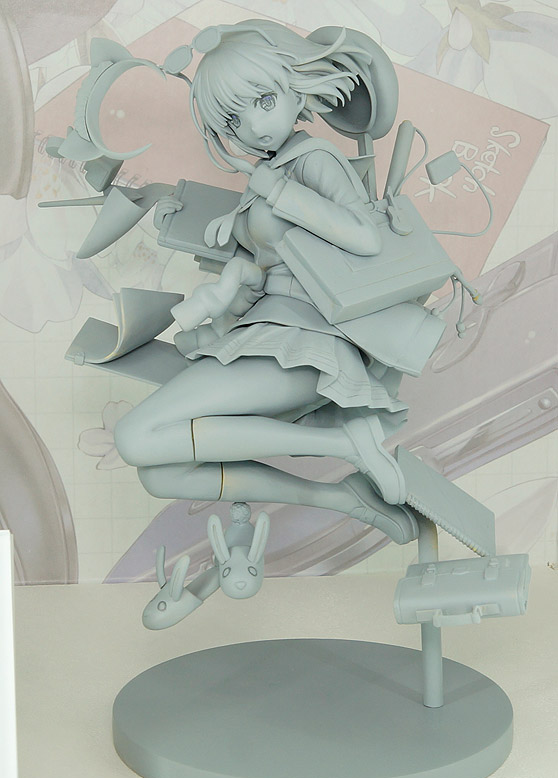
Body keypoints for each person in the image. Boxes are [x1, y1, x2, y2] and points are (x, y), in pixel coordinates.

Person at [113, 20, 419, 545]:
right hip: (266, 334)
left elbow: (366, 236)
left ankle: (348, 444)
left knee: (135, 437)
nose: (254, 128)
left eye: (264, 100)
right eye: (234, 119)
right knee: (162, 473)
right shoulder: (274, 172)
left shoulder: (312, 159)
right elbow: (271, 264)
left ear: (295, 87)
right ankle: (341, 498)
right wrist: (209, 235)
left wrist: (273, 189)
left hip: (302, 344)